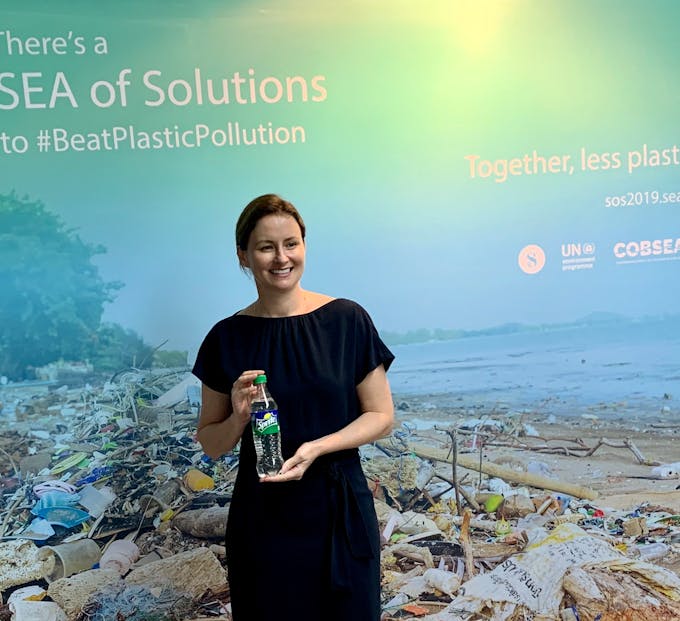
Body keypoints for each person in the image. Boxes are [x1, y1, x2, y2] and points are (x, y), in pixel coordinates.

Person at [192, 193, 395, 621]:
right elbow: (210, 443)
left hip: (339, 511)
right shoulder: (225, 339)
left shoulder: (346, 320)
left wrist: (318, 447)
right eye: (266, 247)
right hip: (263, 520)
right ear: (243, 256)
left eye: (291, 244)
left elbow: (381, 416)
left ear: (304, 246)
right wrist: (238, 416)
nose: (282, 258)